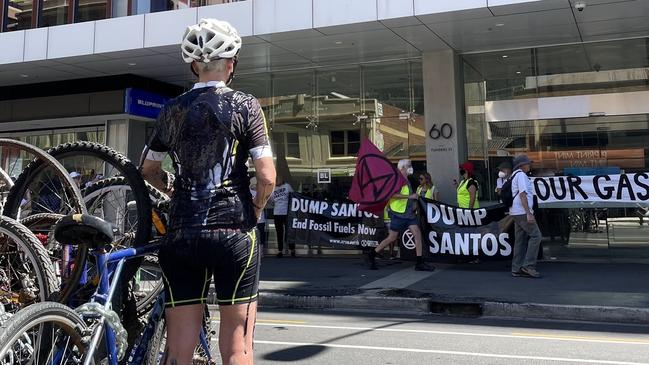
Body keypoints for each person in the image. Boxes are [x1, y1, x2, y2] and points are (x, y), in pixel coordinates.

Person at [140, 18, 276, 365]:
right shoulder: (245, 106)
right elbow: (267, 177)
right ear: (231, 65)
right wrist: (256, 209)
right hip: (234, 231)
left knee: (178, 350)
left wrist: (175, 191)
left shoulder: (170, 111)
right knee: (237, 348)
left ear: (193, 65)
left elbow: (149, 169)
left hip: (182, 233)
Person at [367, 159, 434, 271]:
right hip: (398, 214)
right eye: (408, 165)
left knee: (417, 234)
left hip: (408, 214)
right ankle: (372, 254)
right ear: (402, 168)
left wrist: (413, 204)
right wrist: (410, 197)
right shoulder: (397, 179)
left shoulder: (406, 179)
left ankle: (419, 262)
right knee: (392, 237)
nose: (410, 167)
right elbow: (392, 195)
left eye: (410, 165)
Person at [509, 154, 542, 279]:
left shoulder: (514, 175)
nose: (529, 165)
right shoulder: (522, 176)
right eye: (528, 163)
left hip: (515, 212)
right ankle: (528, 266)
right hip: (522, 212)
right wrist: (529, 213)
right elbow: (523, 195)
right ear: (522, 165)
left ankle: (516, 268)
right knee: (536, 236)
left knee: (520, 240)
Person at [272, 176, 294, 258]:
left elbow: (293, 196)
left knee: (289, 232)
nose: (277, 182)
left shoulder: (287, 186)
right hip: (277, 213)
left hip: (287, 213)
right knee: (279, 233)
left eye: (278, 180)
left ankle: (292, 250)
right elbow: (271, 201)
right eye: (276, 180)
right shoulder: (273, 189)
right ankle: (280, 250)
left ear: (282, 180)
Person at [250, 177, 267, 251]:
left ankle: (260, 249)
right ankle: (255, 249)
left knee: (260, 234)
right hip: (252, 218)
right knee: (254, 234)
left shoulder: (261, 192)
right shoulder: (248, 192)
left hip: (259, 218)